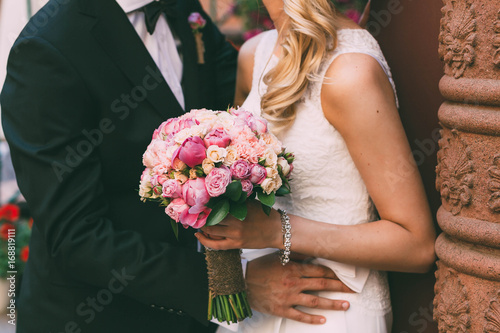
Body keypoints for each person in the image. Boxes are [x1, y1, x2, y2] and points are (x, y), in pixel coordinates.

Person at [196, 0, 437, 332]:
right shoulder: (254, 54)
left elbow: (417, 245)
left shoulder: (350, 72)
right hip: (256, 306)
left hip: (332, 310)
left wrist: (275, 231)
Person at [1, 0, 239, 331]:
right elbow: (77, 235)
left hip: (196, 320)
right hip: (97, 316)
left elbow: (241, 101)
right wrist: (223, 284)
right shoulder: (46, 48)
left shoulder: (183, 8)